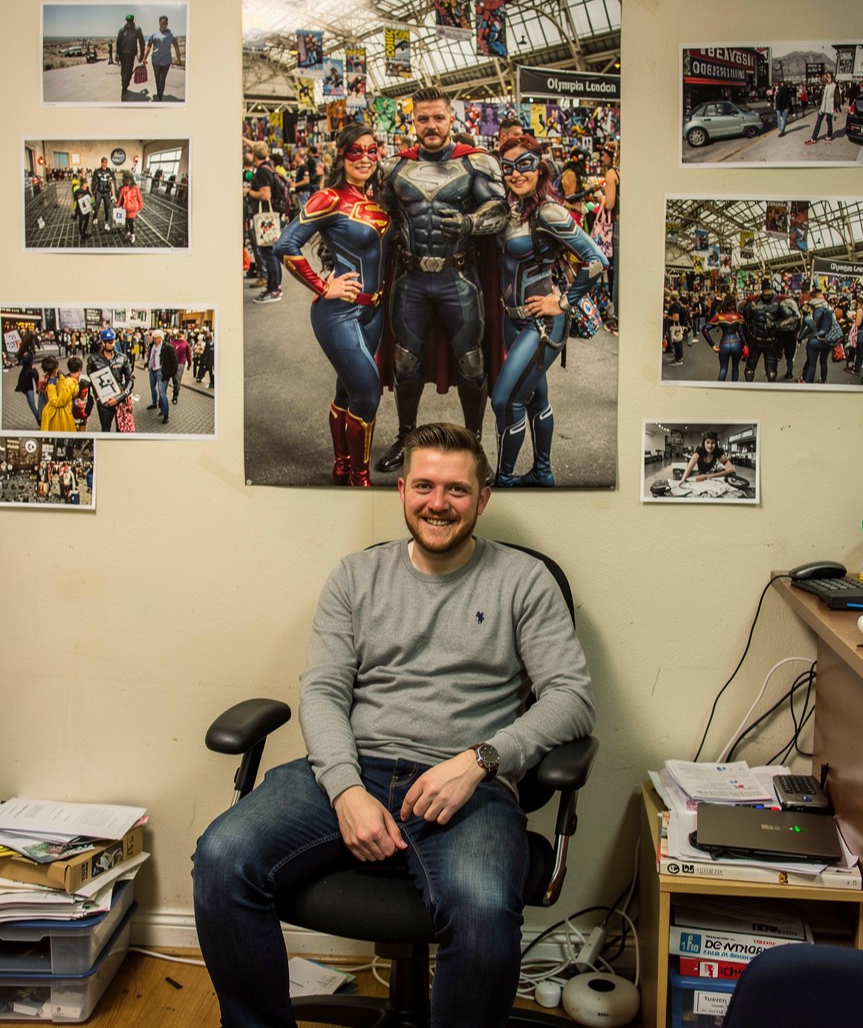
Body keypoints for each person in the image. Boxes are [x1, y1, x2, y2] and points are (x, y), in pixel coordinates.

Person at [192, 421, 596, 1028]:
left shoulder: (523, 581)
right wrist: (346, 789)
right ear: (402, 490)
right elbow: (324, 691)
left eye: (457, 490)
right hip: (354, 767)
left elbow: (572, 698)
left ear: (483, 498)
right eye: (425, 486)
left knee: (485, 911)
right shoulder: (356, 577)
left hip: (468, 785)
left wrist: (480, 760)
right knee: (221, 859)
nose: (439, 503)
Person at [375, 85, 509, 473]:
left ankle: (474, 442)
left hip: (459, 278)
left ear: (452, 119)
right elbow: (378, 221)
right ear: (412, 121)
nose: (430, 125)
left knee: (471, 362)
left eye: (437, 118)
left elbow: (499, 209)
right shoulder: (394, 167)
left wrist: (469, 222)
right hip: (411, 279)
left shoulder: (476, 164)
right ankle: (405, 436)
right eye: (422, 119)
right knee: (405, 362)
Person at [274, 124, 395, 486]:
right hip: (339, 313)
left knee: (347, 392)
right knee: (368, 394)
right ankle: (359, 478)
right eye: (355, 151)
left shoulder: (375, 200)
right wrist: (323, 285)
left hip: (373, 311)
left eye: (372, 150)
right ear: (341, 155)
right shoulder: (328, 198)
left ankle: (342, 465)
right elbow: (285, 245)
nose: (364, 158)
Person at [492, 135, 607, 487]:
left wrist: (562, 302)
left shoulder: (548, 211)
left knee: (504, 401)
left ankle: (505, 480)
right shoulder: (514, 208)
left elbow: (597, 261)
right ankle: (543, 472)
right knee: (535, 398)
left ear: (539, 167)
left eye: (524, 164)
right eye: (508, 167)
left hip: (542, 323)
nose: (516, 173)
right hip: (514, 321)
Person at [243, 142, 283, 304]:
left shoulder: (261, 172)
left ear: (254, 155)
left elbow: (265, 195)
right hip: (270, 216)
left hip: (265, 217)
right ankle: (275, 287)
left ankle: (273, 289)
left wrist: (249, 192)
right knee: (272, 252)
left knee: (267, 252)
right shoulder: (269, 168)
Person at [87, 328, 135, 432]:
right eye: (108, 342)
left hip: (120, 401)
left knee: (121, 430)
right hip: (104, 404)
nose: (111, 344)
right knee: (105, 430)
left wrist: (120, 397)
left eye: (113, 341)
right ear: (102, 343)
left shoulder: (122, 358)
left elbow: (130, 379)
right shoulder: (93, 359)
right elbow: (92, 383)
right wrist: (99, 399)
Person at [743, 278, 784, 382]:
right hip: (770, 340)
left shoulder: (752, 303)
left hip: (756, 339)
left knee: (750, 368)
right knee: (770, 370)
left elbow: (746, 320)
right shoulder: (780, 304)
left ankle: (749, 388)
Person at [597, 141, 619, 332]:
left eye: (603, 154)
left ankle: (616, 317)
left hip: (616, 227)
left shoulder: (612, 173)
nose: (600, 157)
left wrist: (601, 199)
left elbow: (610, 204)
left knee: (615, 272)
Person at [701, 292, 746, 382]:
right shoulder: (739, 316)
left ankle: (720, 390)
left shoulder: (719, 317)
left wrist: (713, 345)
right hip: (737, 343)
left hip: (724, 344)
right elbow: (741, 334)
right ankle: (734, 388)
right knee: (735, 367)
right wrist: (745, 345)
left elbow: (705, 329)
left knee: (723, 368)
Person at [143, 15, 182, 102]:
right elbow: (148, 46)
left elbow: (176, 47)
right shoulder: (154, 35)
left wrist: (178, 58)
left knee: (162, 78)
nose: (163, 24)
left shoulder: (171, 35)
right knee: (157, 79)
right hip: (155, 60)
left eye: (165, 22)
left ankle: (160, 96)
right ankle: (159, 92)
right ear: (159, 23)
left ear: (167, 23)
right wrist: (144, 58)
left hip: (166, 61)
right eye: (162, 22)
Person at [797, 293, 834, 383]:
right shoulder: (830, 313)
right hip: (827, 341)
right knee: (824, 361)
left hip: (815, 341)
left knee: (812, 364)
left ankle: (808, 383)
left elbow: (809, 328)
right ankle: (824, 380)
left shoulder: (814, 314)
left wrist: (800, 338)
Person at [145, 329, 179, 424]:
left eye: (155, 338)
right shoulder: (152, 346)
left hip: (161, 372)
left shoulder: (168, 347)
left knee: (162, 393)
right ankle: (154, 403)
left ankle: (165, 414)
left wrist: (169, 375)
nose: (154, 339)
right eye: (153, 338)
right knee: (152, 387)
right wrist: (147, 365)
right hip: (152, 370)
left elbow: (175, 363)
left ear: (160, 338)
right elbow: (151, 357)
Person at [39, 356, 78, 433]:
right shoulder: (51, 384)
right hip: (57, 414)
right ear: (56, 367)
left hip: (52, 411)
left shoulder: (56, 378)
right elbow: (57, 402)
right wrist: (68, 389)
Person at [14, 330, 42, 427]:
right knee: (31, 399)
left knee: (31, 400)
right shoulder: (27, 351)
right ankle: (39, 418)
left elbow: (21, 358)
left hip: (27, 376)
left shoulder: (26, 350)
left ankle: (39, 418)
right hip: (27, 376)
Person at [116, 13, 146, 100]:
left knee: (129, 72)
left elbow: (142, 42)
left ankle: (125, 84)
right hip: (122, 54)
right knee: (123, 72)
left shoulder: (137, 30)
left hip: (131, 54)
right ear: (126, 21)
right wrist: (117, 54)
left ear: (133, 21)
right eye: (128, 21)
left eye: (130, 21)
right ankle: (124, 86)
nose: (129, 23)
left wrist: (142, 54)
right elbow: (118, 43)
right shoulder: (122, 30)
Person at [805, 71, 840, 145]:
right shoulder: (825, 86)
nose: (827, 79)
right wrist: (813, 97)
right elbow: (820, 95)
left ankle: (829, 136)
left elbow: (837, 98)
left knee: (829, 122)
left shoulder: (834, 86)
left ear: (832, 78)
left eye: (829, 77)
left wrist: (836, 107)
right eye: (826, 77)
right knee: (818, 123)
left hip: (829, 108)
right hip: (822, 107)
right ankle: (813, 138)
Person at [115, 172, 143, 245]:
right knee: (126, 221)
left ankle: (132, 234)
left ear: (132, 179)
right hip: (125, 208)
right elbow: (121, 197)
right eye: (126, 179)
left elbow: (139, 198)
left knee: (130, 222)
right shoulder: (124, 188)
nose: (128, 181)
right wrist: (118, 205)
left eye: (129, 179)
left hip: (133, 208)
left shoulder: (135, 188)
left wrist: (139, 207)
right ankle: (128, 232)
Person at [91, 157, 118, 233]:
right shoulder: (97, 171)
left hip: (107, 192)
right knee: (96, 205)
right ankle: (95, 217)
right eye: (103, 162)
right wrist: (93, 192)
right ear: (101, 162)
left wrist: (114, 194)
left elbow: (113, 183)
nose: (105, 163)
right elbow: (94, 182)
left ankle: (106, 222)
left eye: (106, 162)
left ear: (107, 163)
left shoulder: (110, 172)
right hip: (99, 192)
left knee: (107, 208)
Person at [170, 331, 193, 405]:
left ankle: (175, 394)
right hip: (179, 364)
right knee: (177, 379)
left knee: (176, 379)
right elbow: (189, 355)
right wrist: (190, 364)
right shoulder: (185, 343)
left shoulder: (172, 342)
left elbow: (188, 354)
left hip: (176, 363)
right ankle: (175, 393)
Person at [73, 176, 94, 241]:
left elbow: (92, 200)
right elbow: (77, 199)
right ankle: (81, 235)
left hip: (87, 209)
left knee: (86, 221)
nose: (86, 184)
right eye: (85, 183)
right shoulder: (78, 191)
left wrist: (90, 191)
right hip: (80, 209)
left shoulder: (87, 191)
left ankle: (84, 233)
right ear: (82, 184)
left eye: (87, 183)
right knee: (81, 222)